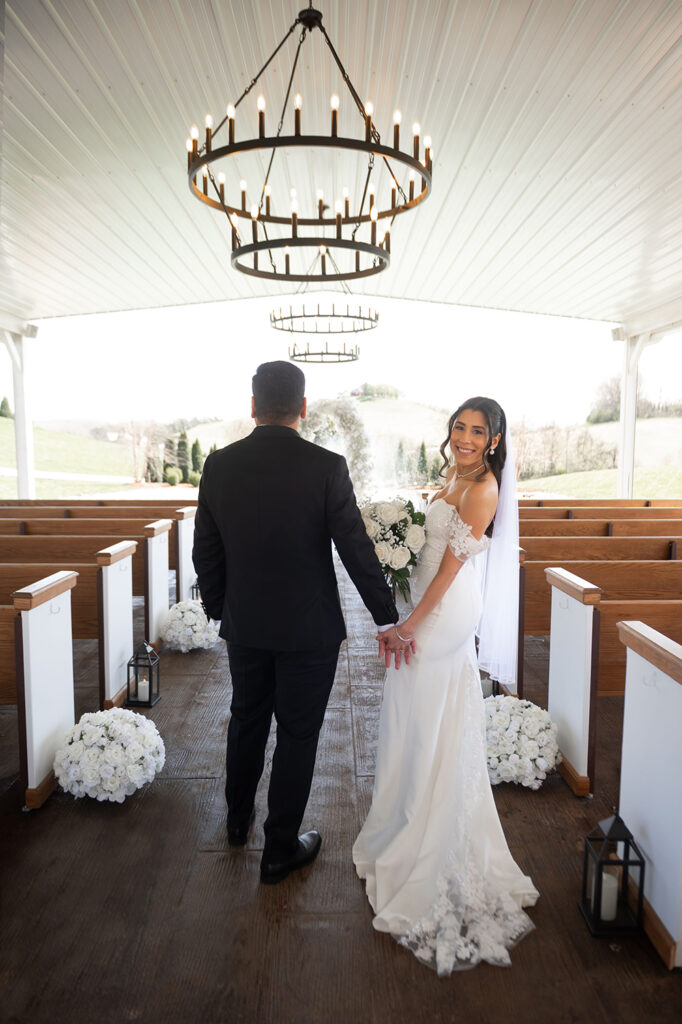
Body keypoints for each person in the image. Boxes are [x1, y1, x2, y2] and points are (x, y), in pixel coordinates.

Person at [192, 361, 411, 885]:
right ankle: (279, 850)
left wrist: (221, 607)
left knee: (246, 719)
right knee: (298, 733)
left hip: (246, 625)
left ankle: (237, 823)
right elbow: (354, 547)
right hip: (309, 629)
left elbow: (206, 548)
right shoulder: (326, 466)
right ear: (303, 408)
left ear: (253, 406)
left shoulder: (219, 465)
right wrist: (386, 616)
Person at [353, 397, 539, 974]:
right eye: (459, 426)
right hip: (424, 599)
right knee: (414, 715)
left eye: (477, 431)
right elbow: (427, 550)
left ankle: (426, 838)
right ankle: (404, 823)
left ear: (494, 440)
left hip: (444, 611)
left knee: (424, 719)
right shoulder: (455, 474)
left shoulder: (483, 489)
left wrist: (409, 625)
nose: (465, 437)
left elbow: (452, 570)